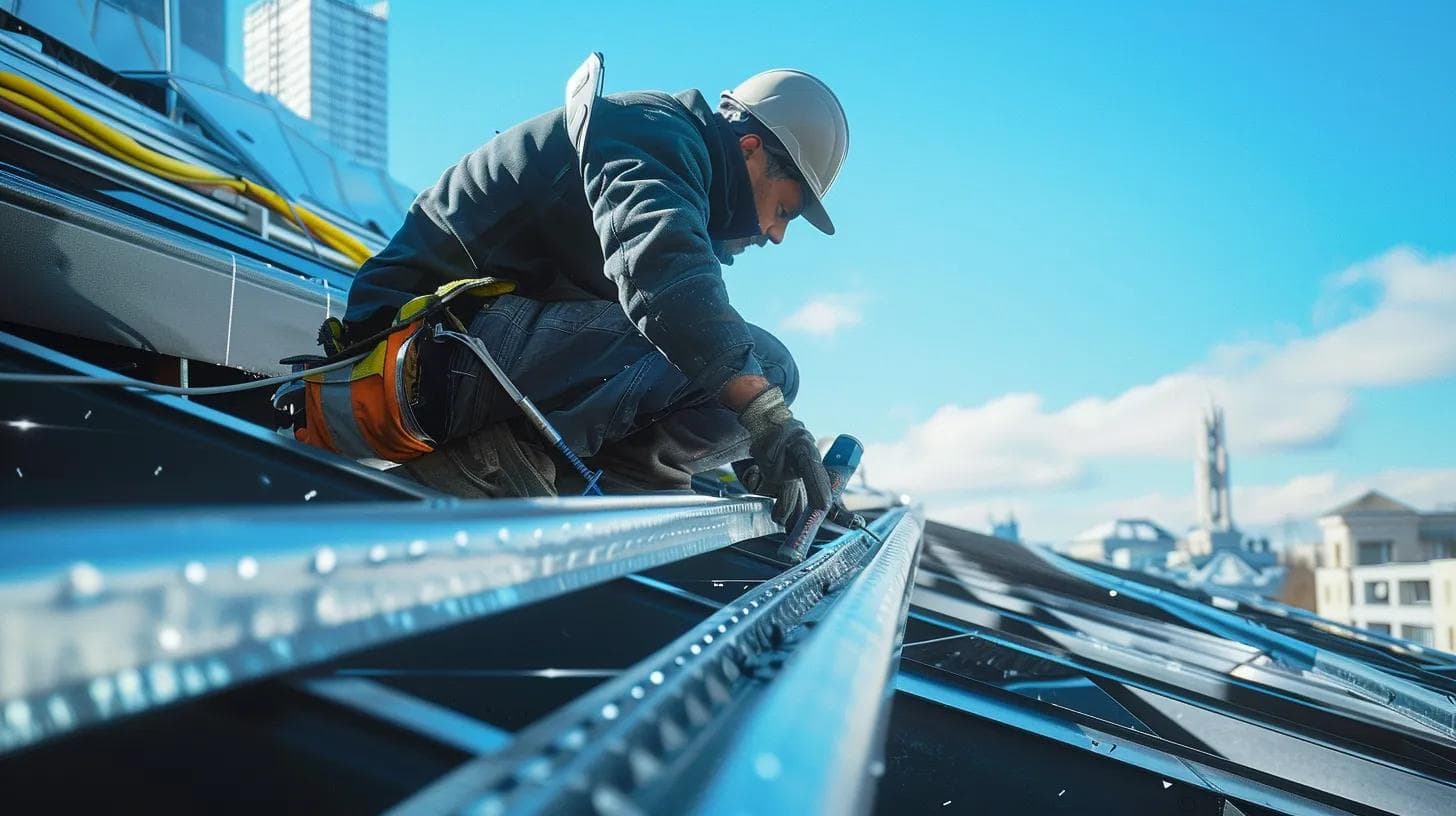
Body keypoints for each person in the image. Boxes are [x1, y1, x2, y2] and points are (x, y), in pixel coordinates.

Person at [294, 61, 849, 526]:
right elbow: (666, 277)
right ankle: (482, 463)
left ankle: (616, 494)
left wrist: (751, 455)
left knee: (760, 369)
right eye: (784, 210)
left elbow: (653, 338)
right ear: (751, 149)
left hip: (472, 352)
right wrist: (763, 418)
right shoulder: (652, 133)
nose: (776, 235)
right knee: (758, 367)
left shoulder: (679, 170)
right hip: (423, 349)